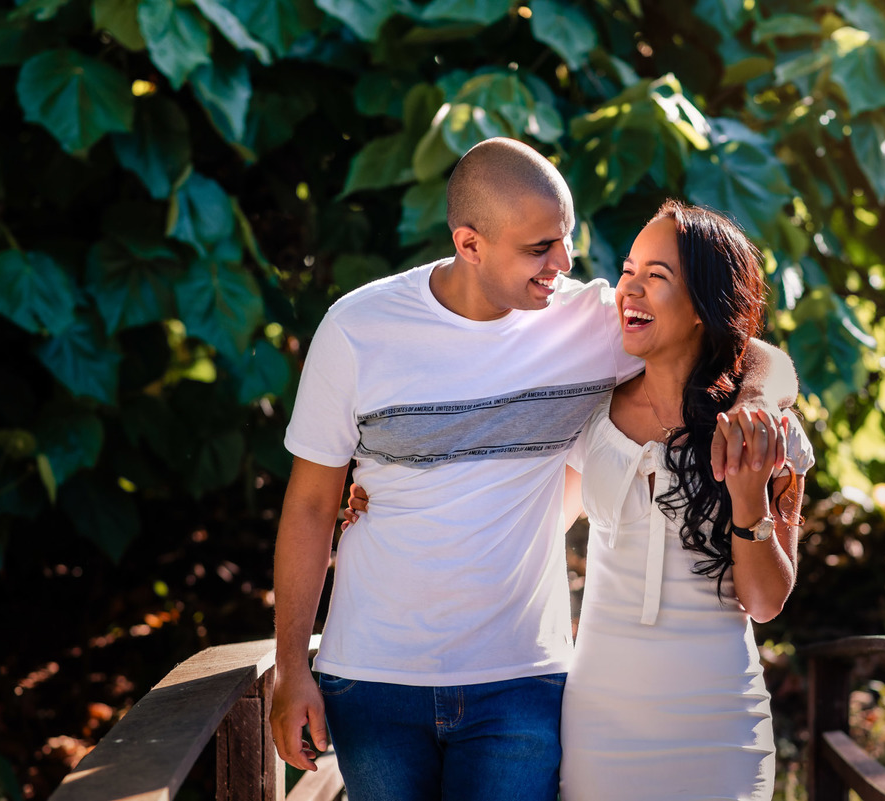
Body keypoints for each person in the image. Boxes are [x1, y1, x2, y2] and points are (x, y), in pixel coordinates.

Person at [271, 136, 798, 801]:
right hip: (374, 675)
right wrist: (292, 667)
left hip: (522, 679)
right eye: (539, 247)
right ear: (470, 244)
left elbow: (738, 344)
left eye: (566, 239)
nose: (566, 262)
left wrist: (751, 403)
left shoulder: (591, 324)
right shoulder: (357, 329)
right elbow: (312, 506)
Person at [557, 201, 814, 800]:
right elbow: (528, 524)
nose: (630, 290)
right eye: (628, 271)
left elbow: (766, 600)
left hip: (721, 729)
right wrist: (381, 496)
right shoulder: (592, 417)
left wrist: (749, 500)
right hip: (600, 726)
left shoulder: (765, 433)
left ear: (702, 306)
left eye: (657, 277)